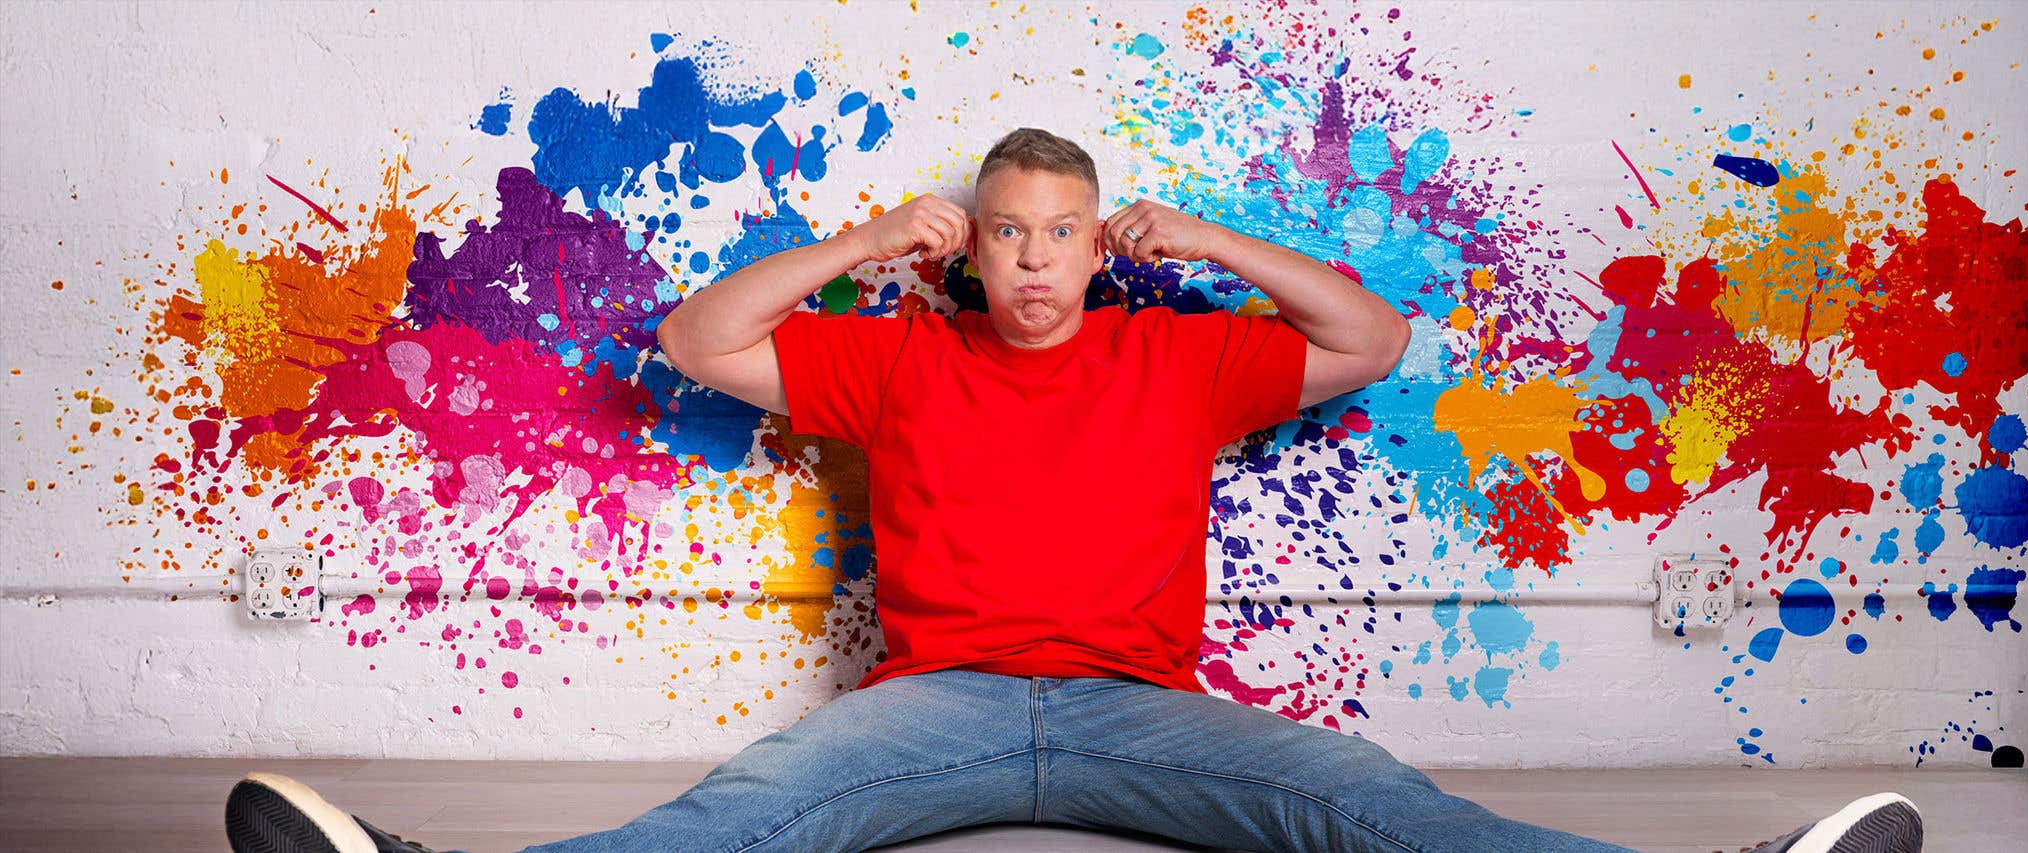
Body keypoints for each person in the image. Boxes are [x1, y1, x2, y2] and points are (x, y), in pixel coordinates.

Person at [224, 128, 1925, 853]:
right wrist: (875, 242)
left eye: (1064, 233)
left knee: (1373, 807)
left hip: (1142, 710)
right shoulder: (895, 352)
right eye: (1004, 231)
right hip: (936, 706)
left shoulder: (1176, 356)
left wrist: (1213, 245)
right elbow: (695, 330)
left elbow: (1376, 337)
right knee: (748, 819)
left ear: (1096, 246)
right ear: (976, 241)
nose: (1034, 260)